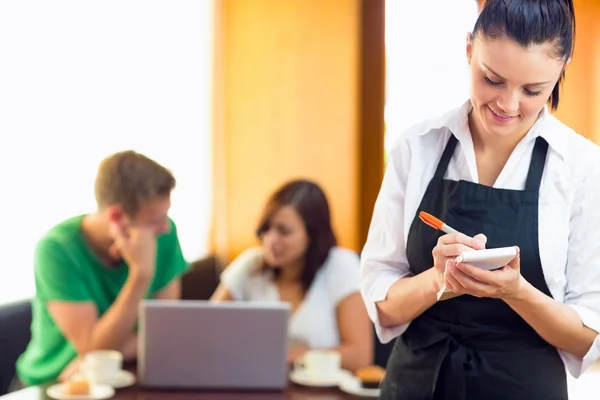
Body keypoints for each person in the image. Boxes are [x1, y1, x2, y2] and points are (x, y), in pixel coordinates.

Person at [360, 0, 600, 399]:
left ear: (563, 67)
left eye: (533, 90)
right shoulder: (417, 148)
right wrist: (439, 279)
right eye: (492, 79)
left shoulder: (583, 168)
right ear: (469, 49)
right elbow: (382, 307)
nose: (507, 105)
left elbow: (586, 337)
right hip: (417, 384)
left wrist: (514, 290)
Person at [15, 150, 189, 387]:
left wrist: (114, 349)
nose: (165, 227)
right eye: (154, 220)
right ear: (116, 217)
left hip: (123, 375)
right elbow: (95, 349)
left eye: (165, 216)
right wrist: (140, 274)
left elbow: (166, 330)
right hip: (53, 384)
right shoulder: (56, 249)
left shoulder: (164, 235)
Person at [210, 179, 373, 371]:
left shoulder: (340, 265)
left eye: (284, 231)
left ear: (313, 235)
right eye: (267, 228)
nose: (271, 240)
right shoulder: (250, 265)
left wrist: (291, 356)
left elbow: (360, 355)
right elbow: (208, 329)